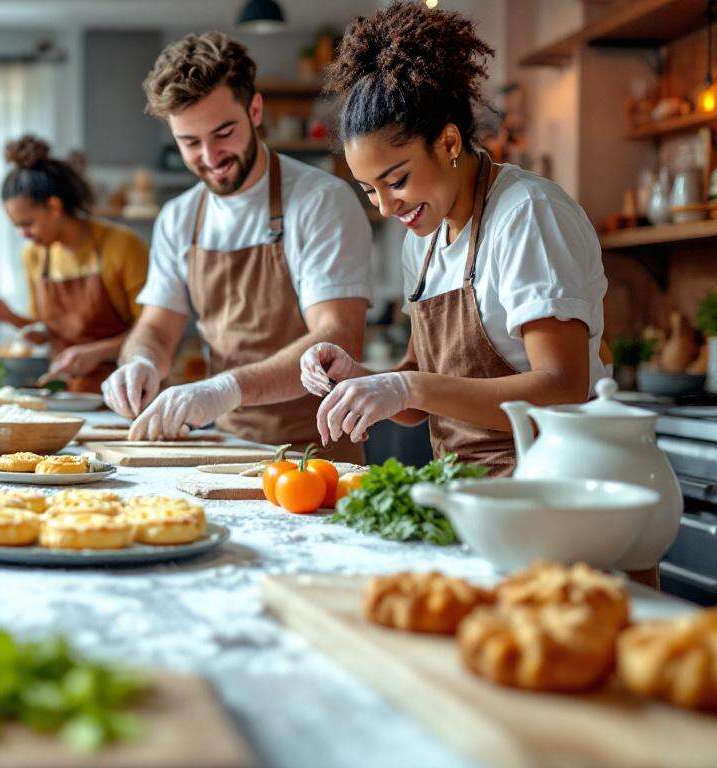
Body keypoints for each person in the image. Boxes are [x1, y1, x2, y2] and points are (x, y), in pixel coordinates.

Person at [299, 2, 607, 476]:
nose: (386, 207)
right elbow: (417, 397)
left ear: (448, 144)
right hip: (468, 489)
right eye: (370, 191)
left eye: (396, 180)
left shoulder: (526, 214)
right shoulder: (422, 240)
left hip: (553, 484)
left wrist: (410, 388)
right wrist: (360, 379)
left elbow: (562, 386)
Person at [101, 32, 372, 461]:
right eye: (190, 142)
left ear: (255, 110)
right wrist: (140, 362)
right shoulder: (179, 218)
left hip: (319, 454)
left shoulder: (321, 201)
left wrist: (225, 388)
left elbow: (338, 336)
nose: (209, 156)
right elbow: (156, 327)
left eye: (223, 132)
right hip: (227, 449)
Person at [0, 136, 150, 393]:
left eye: (27, 224)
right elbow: (43, 334)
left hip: (131, 390)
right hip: (70, 395)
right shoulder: (35, 256)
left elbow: (153, 332)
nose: (23, 234)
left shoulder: (122, 246)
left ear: (54, 207)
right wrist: (9, 317)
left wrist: (97, 352)